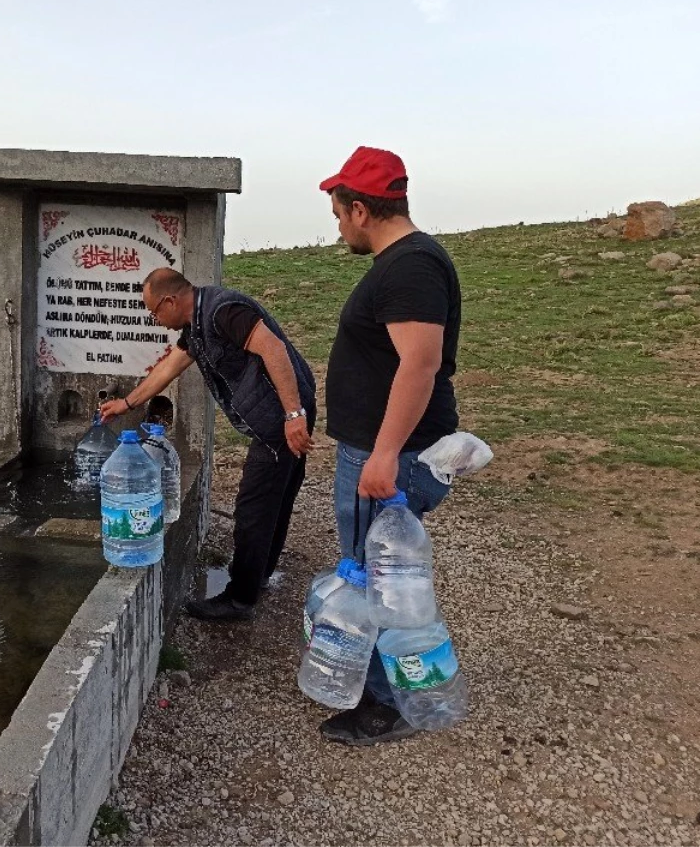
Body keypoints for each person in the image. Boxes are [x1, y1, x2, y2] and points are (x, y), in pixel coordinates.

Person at [317, 146, 462, 746]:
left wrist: (382, 454)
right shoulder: (404, 263)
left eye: (337, 214)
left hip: (388, 455)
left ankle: (387, 705)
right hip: (378, 449)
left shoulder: (410, 267)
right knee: (367, 573)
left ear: (359, 210)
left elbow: (420, 366)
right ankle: (385, 687)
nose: (338, 226)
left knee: (376, 581)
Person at [99, 268, 316, 622]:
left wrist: (293, 414)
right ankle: (258, 574)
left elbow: (273, 349)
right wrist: (127, 404)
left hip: (278, 418)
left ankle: (240, 600)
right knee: (277, 496)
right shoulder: (196, 328)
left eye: (155, 311)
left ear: (171, 300)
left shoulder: (222, 311)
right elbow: (168, 368)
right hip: (280, 413)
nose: (156, 319)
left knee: (253, 509)